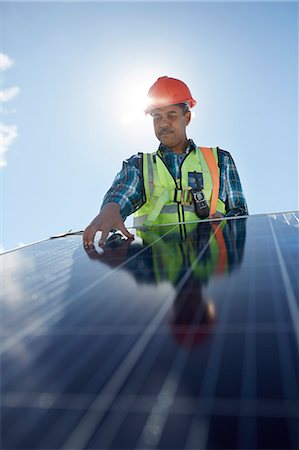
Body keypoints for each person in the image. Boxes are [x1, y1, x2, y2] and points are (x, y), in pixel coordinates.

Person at [83, 76, 248, 248]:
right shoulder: (139, 165)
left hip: (212, 268)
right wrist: (111, 209)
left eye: (171, 115)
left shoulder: (220, 160)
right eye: (157, 117)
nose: (163, 124)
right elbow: (123, 191)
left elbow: (240, 213)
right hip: (155, 269)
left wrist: (227, 222)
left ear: (188, 118)